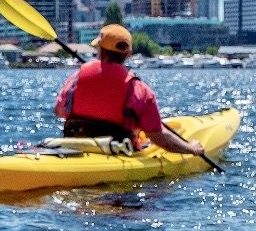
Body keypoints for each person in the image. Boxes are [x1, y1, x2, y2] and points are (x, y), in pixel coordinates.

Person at [53, 23, 206, 157]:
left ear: (100, 50)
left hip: (75, 148)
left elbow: (59, 110)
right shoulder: (140, 90)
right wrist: (191, 148)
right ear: (128, 54)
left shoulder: (78, 76)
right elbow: (158, 137)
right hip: (118, 152)